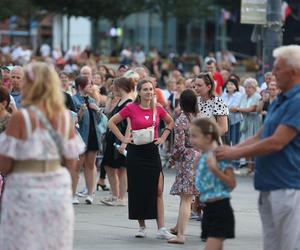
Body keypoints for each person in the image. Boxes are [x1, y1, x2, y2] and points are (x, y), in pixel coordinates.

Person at [217, 45, 300, 250]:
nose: (272, 73)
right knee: (272, 245)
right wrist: (230, 151)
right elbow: (260, 136)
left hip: (287, 186)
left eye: (278, 68)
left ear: (295, 72)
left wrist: (233, 152)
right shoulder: (282, 98)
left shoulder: (297, 101)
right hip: (271, 184)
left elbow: (277, 142)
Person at [0, 62, 85, 249]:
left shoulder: (21, 118)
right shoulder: (64, 117)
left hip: (25, 186)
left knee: (22, 241)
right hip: (57, 187)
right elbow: (72, 163)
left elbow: (4, 165)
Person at [107, 79, 175, 240]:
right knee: (138, 190)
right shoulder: (131, 107)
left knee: (158, 190)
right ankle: (142, 226)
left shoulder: (157, 108)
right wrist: (124, 138)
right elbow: (111, 122)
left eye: (151, 89)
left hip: (152, 151)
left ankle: (162, 228)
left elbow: (170, 122)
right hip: (136, 152)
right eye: (145, 89)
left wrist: (164, 136)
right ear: (139, 91)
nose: (149, 92)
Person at [191, 118, 236, 250]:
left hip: (220, 209)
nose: (191, 139)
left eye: (194, 136)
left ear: (208, 137)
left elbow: (232, 184)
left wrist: (215, 170)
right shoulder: (202, 157)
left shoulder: (221, 155)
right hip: (208, 209)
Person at [168, 89, 200, 244]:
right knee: (187, 196)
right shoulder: (198, 118)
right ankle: (178, 227)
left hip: (187, 159)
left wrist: (171, 159)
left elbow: (179, 146)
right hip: (198, 157)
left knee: (186, 198)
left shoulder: (181, 120)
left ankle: (181, 235)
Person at [100, 77, 134, 206]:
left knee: (121, 168)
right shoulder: (120, 101)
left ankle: (120, 197)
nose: (112, 89)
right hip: (113, 138)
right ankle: (116, 195)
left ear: (120, 87)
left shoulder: (129, 103)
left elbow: (130, 125)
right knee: (109, 165)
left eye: (114, 87)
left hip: (120, 138)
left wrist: (125, 142)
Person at [72, 76, 102, 204]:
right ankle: (72, 194)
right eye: (89, 84)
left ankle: (90, 194)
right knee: (77, 166)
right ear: (80, 86)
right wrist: (81, 112)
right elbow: (73, 120)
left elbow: (100, 120)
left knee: (91, 165)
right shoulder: (73, 100)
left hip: (93, 135)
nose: (91, 86)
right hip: (80, 136)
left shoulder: (92, 100)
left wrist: (97, 110)